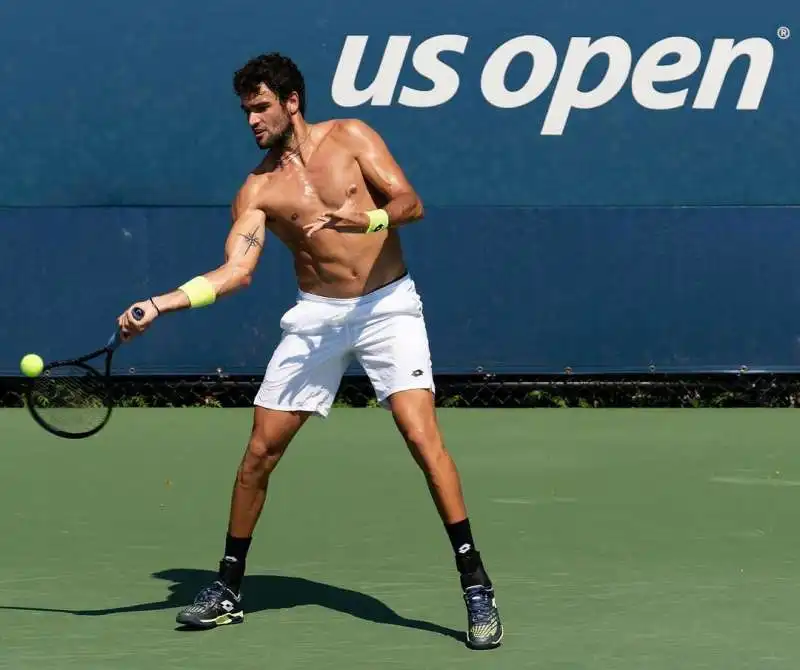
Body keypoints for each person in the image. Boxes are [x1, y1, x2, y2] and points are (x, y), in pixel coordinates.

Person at [117, 52, 503, 650]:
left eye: (261, 107)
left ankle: (475, 584)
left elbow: (411, 204)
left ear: (291, 101)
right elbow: (236, 270)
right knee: (259, 452)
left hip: (387, 307)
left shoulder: (351, 137)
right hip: (316, 319)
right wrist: (162, 303)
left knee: (421, 437)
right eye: (246, 111)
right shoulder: (257, 190)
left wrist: (366, 221)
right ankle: (226, 589)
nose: (252, 120)